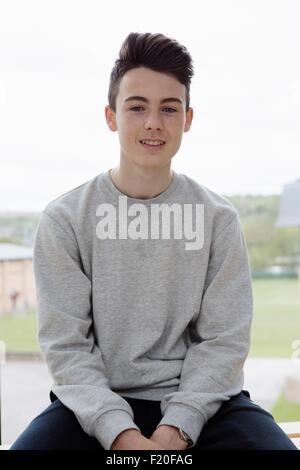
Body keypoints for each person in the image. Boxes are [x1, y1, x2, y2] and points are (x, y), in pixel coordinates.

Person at [10, 32, 297, 451]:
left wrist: (176, 427)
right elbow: (67, 346)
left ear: (188, 118)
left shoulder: (218, 219)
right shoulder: (64, 219)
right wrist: (120, 433)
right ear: (111, 116)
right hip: (95, 404)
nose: (153, 123)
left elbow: (224, 340)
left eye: (169, 108)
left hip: (205, 403)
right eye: (137, 107)